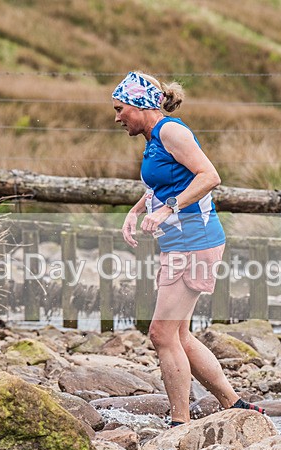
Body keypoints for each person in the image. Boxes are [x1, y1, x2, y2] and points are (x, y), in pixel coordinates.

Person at [113, 71, 265, 427]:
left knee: (161, 334)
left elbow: (209, 176)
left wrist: (169, 209)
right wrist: (136, 212)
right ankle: (234, 403)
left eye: (121, 109)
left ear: (140, 104)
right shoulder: (154, 138)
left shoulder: (171, 131)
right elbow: (166, 182)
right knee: (178, 333)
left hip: (195, 243)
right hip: (179, 243)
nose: (117, 117)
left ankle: (180, 422)